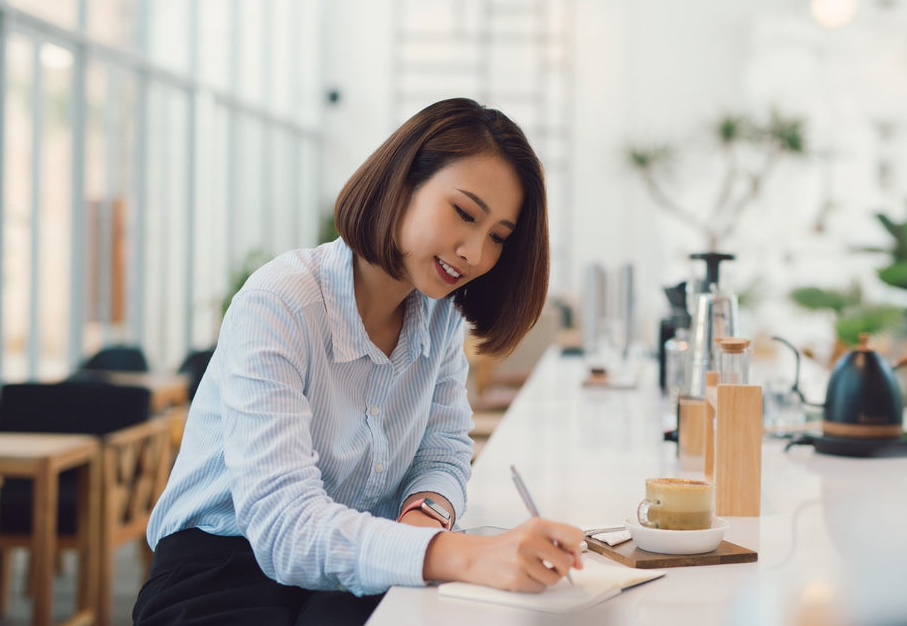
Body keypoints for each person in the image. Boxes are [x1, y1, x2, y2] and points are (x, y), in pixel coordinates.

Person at [134, 98, 584, 625]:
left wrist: (425, 518)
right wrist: (465, 555)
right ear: (402, 184)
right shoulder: (281, 300)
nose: (475, 253)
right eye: (464, 213)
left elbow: (442, 453)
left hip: (357, 558)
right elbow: (284, 529)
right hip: (224, 567)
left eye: (498, 238)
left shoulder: (438, 318)